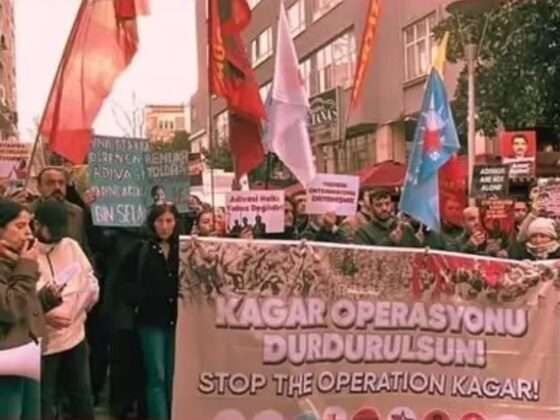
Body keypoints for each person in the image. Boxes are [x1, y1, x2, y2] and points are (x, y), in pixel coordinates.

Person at [34, 199, 99, 420]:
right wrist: (45, 315)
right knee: (44, 400)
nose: (57, 235)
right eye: (51, 229)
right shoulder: (28, 253)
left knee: (82, 396)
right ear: (37, 224)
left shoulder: (70, 246)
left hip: (75, 336)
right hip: (44, 344)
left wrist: (81, 307)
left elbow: (89, 280)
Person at [116, 203, 180, 420]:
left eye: (169, 221)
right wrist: (140, 299)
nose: (164, 226)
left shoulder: (184, 249)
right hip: (150, 321)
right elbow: (123, 282)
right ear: (152, 223)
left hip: (178, 321)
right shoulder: (140, 249)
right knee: (157, 375)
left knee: (173, 376)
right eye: (160, 221)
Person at [0, 199, 45, 420]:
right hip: (6, 357)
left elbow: (24, 301)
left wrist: (46, 299)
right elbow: (9, 308)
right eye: (19, 226)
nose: (28, 233)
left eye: (29, 225)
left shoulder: (16, 261)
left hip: (25, 351)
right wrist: (27, 266)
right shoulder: (18, 264)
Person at [35, 167, 92, 257]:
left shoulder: (77, 212)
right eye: (50, 183)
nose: (57, 187)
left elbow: (84, 248)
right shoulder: (27, 212)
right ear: (39, 187)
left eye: (61, 183)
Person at [353, 189, 420, 247]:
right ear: (371, 207)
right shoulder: (363, 233)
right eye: (379, 205)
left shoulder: (405, 228)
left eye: (387, 203)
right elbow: (364, 256)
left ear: (392, 205)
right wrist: (390, 241)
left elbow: (420, 253)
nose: (384, 208)